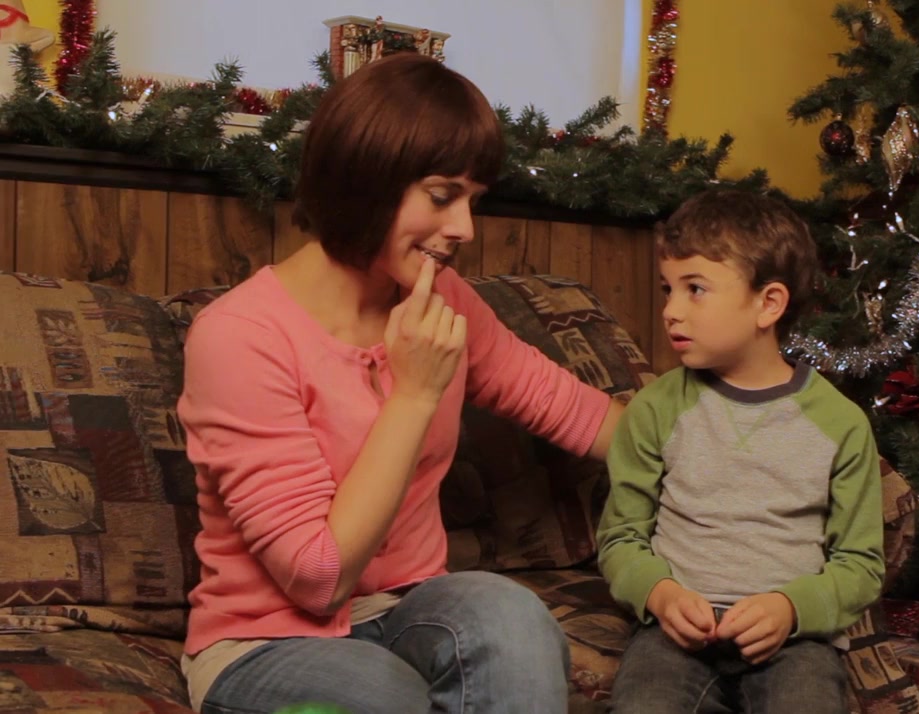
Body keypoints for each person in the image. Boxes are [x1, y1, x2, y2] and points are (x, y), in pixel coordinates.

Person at [177, 53, 624, 714]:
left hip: (406, 611)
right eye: (443, 196)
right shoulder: (239, 335)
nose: (464, 228)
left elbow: (576, 412)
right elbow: (318, 580)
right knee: (386, 695)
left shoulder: (444, 299)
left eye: (473, 201)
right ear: (366, 180)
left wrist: (734, 441)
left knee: (511, 616)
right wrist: (414, 394)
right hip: (263, 643)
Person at [596, 190, 885, 713]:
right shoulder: (654, 409)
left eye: (695, 289)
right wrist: (660, 594)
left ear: (768, 304)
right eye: (667, 289)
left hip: (794, 642)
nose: (671, 311)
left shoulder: (841, 425)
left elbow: (861, 564)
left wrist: (791, 609)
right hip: (673, 637)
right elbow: (620, 537)